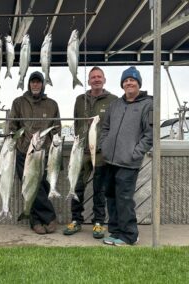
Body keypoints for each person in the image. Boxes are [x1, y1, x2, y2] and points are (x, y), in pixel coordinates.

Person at [100, 66, 153, 246]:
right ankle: (115, 231)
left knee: (124, 199)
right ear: (122, 84)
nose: (129, 83)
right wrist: (104, 146)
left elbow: (150, 134)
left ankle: (130, 235)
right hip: (110, 160)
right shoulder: (115, 105)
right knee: (111, 197)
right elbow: (105, 127)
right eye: (126, 80)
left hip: (128, 163)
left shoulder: (148, 105)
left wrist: (135, 153)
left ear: (138, 83)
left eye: (133, 80)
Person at [63, 67, 118, 239]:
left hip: (102, 153)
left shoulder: (113, 100)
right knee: (77, 187)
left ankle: (99, 222)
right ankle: (76, 220)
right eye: (93, 77)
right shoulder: (80, 99)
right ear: (88, 81)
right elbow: (76, 122)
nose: (96, 79)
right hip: (81, 152)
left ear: (104, 79)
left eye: (99, 77)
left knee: (99, 190)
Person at [9, 71, 61, 234]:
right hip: (25, 152)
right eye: (33, 82)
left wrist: (54, 148)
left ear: (43, 85)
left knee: (42, 186)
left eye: (38, 82)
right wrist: (20, 142)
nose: (35, 85)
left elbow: (57, 128)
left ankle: (36, 220)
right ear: (29, 84)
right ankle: (49, 217)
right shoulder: (18, 102)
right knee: (31, 186)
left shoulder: (52, 104)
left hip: (44, 153)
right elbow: (12, 127)